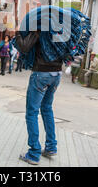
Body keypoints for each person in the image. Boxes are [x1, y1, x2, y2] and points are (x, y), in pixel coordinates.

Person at [15, 30, 63, 166]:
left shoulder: (39, 29)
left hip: (41, 73)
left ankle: (34, 153)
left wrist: (18, 34)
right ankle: (51, 147)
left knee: (32, 112)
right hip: (57, 73)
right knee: (47, 108)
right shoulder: (61, 30)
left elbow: (24, 47)